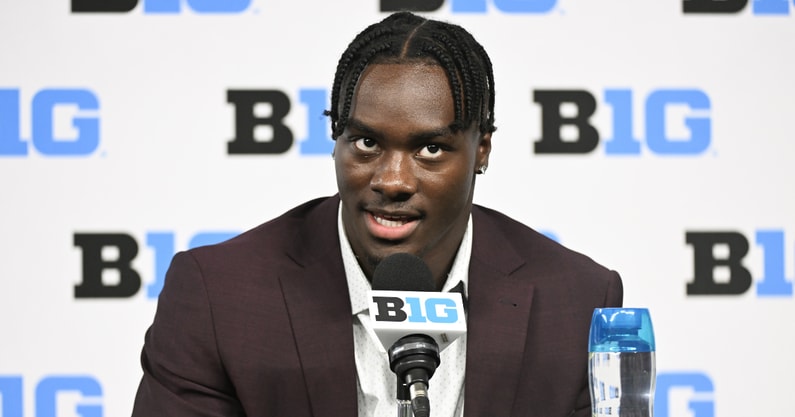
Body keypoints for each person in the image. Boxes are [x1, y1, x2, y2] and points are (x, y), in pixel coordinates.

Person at [131, 11, 623, 417]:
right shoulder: (219, 296)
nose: (392, 181)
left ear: (482, 151)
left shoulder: (577, 300)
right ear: (336, 142)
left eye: (430, 149)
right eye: (366, 143)